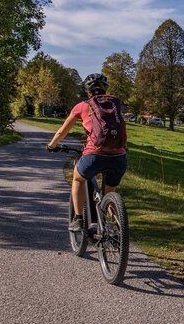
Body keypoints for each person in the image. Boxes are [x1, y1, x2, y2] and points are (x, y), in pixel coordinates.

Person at [46, 73, 128, 232]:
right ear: (105, 89)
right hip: (119, 157)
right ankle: (114, 228)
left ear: (87, 90)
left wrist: (51, 146)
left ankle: (78, 219)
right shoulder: (114, 105)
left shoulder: (82, 106)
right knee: (110, 191)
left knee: (78, 178)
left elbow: (62, 132)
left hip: (94, 155)